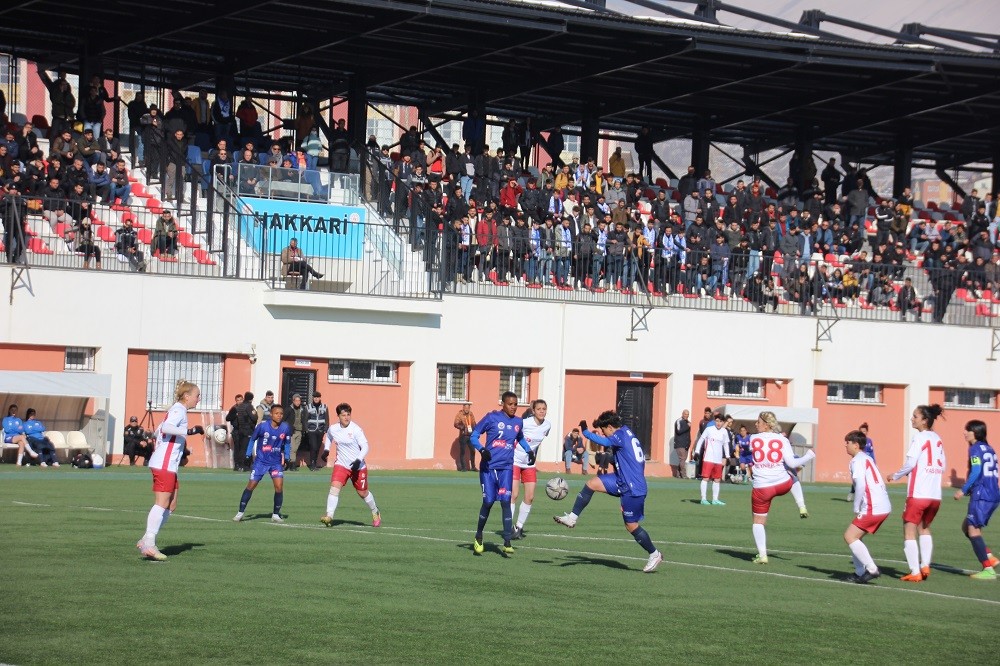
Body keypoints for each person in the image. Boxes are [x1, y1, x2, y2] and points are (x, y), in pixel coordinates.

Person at [554, 411, 663, 573]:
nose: (604, 434)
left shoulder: (619, 435)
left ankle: (654, 554)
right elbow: (624, 455)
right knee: (591, 483)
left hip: (632, 487)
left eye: (604, 430)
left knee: (631, 525)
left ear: (610, 427)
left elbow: (604, 441)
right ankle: (572, 518)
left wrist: (586, 432)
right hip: (622, 479)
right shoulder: (626, 432)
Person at [136, 381, 203, 561]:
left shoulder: (178, 410)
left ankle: (146, 539)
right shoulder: (178, 410)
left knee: (171, 504)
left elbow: (159, 430)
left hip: (169, 464)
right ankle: (149, 542)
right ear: (187, 396)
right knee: (162, 502)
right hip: (164, 463)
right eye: (197, 395)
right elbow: (166, 428)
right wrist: (189, 431)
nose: (198, 399)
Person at [748, 411, 816, 564]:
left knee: (758, 522)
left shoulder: (752, 438)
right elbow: (792, 463)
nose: (756, 424)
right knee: (792, 473)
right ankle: (801, 505)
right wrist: (808, 456)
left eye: (758, 422)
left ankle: (762, 555)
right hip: (782, 484)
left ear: (766, 424)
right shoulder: (782, 439)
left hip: (762, 488)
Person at [469, 392, 533, 556]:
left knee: (506, 501)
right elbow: (474, 436)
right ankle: (478, 536)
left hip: (506, 468)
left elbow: (520, 438)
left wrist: (529, 451)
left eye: (515, 404)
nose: (513, 407)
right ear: (502, 404)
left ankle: (507, 541)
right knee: (488, 502)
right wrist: (482, 449)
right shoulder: (491, 418)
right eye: (510, 404)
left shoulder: (518, 422)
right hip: (489, 468)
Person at [888, 404, 946, 582]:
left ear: (925, 420)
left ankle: (915, 571)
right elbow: (942, 465)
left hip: (918, 493)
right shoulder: (937, 438)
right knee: (924, 528)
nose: (912, 419)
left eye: (915, 416)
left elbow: (911, 463)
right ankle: (925, 565)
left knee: (909, 530)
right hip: (935, 495)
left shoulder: (919, 437)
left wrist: (895, 475)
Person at [320, 403, 381, 528]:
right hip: (341, 465)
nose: (346, 417)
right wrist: (326, 449)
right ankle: (329, 516)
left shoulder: (356, 429)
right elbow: (329, 437)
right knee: (334, 488)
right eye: (343, 415)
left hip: (358, 467)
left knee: (363, 493)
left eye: (348, 414)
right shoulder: (333, 429)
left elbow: (365, 446)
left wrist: (358, 460)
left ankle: (375, 511)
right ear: (338, 416)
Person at [953, 419, 1000, 580]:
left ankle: (988, 569)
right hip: (993, 494)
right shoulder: (989, 448)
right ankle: (989, 557)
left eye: (968, 430)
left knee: (972, 530)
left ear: (976, 432)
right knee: (967, 527)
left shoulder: (974, 448)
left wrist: (963, 489)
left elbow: (976, 471)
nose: (965, 433)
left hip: (982, 495)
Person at [843, 429, 891, 584]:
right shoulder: (867, 458)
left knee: (849, 536)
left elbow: (861, 485)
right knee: (856, 537)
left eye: (848, 442)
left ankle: (871, 569)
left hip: (873, 506)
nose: (845, 445)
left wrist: (856, 506)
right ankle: (859, 572)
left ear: (856, 445)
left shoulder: (857, 460)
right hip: (882, 505)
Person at [234, 404, 290, 523]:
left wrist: (287, 457)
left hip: (276, 462)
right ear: (271, 414)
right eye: (276, 413)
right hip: (261, 461)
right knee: (251, 486)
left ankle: (275, 514)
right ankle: (240, 512)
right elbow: (252, 439)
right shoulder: (262, 426)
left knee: (279, 487)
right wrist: (248, 455)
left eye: (281, 414)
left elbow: (287, 443)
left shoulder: (285, 427)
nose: (279, 416)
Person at [511, 399, 552, 540]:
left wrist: (533, 456)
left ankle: (519, 527)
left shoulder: (547, 425)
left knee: (530, 497)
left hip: (529, 464)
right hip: (515, 460)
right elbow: (514, 436)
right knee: (514, 494)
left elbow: (537, 443)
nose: (542, 411)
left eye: (544, 409)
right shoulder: (524, 423)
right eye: (539, 409)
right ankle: (508, 526)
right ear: (533, 411)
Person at [691, 412, 731, 505]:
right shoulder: (709, 429)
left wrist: (728, 456)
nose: (718, 423)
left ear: (723, 422)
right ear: (714, 421)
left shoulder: (724, 432)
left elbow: (726, 444)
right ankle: (703, 499)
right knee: (705, 478)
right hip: (708, 458)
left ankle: (715, 499)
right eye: (717, 421)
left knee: (717, 479)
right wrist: (697, 451)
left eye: (720, 421)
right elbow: (701, 439)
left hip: (718, 459)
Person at [232, 391, 257, 472]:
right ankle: (245, 465)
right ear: (251, 399)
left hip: (240, 430)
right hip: (247, 430)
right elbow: (254, 417)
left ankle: (239, 465)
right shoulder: (249, 406)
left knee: (240, 449)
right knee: (246, 448)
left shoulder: (239, 407)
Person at [304, 391, 329, 470]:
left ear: (320, 398)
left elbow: (326, 418)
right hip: (311, 430)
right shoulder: (308, 407)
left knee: (317, 447)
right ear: (313, 398)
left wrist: (326, 429)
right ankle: (312, 464)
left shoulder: (325, 406)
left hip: (320, 430)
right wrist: (306, 430)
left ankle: (314, 463)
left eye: (317, 397)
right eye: (315, 397)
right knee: (313, 447)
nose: (316, 399)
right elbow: (305, 419)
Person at [283, 394, 306, 471]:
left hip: (299, 431)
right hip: (291, 432)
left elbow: (304, 420)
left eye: (299, 400)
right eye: (296, 400)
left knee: (295, 448)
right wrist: (288, 427)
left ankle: (289, 462)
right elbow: (283, 420)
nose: (298, 402)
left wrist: (304, 429)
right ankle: (292, 464)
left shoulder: (302, 409)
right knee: (292, 448)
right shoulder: (288, 409)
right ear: (293, 401)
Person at [453, 402, 477, 472]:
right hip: (463, 435)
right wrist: (462, 427)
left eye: (468, 408)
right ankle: (463, 467)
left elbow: (474, 422)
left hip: (471, 435)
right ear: (463, 408)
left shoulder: (471, 414)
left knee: (473, 451)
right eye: (465, 408)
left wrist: (475, 429)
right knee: (462, 451)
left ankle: (473, 467)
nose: (467, 409)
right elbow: (455, 424)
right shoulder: (459, 414)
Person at [672, 409, 691, 478]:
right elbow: (678, 431)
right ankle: (684, 475)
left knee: (683, 459)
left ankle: (678, 474)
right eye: (685, 414)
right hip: (680, 444)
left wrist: (689, 442)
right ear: (682, 414)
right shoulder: (678, 421)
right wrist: (687, 426)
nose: (686, 416)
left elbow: (687, 434)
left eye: (688, 414)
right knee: (682, 459)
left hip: (686, 444)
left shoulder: (688, 422)